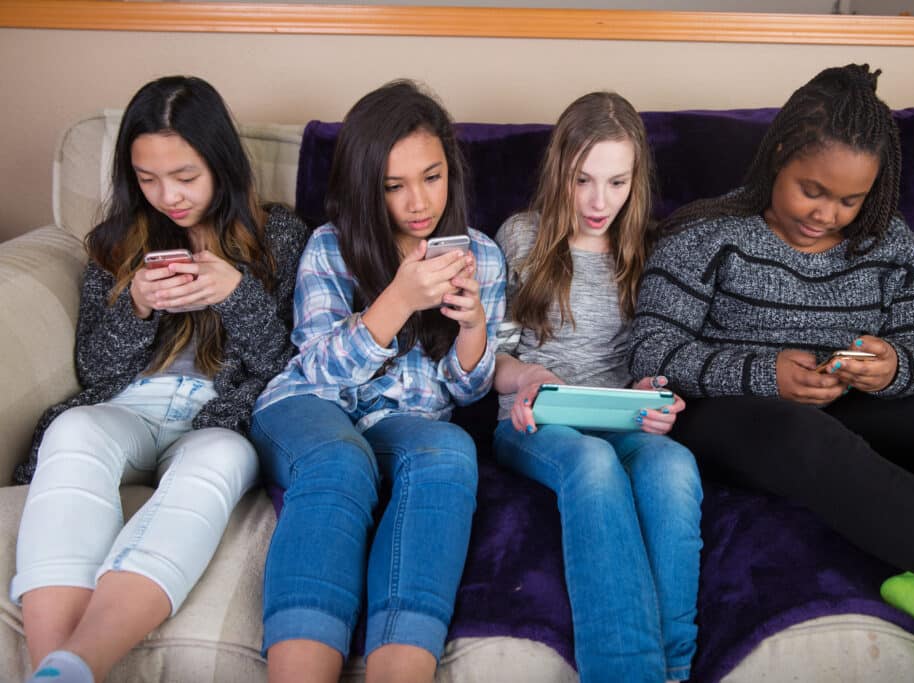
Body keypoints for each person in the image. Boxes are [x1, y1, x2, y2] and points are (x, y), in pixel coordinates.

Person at [631, 63, 914, 683]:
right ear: (779, 155)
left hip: (848, 403)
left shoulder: (888, 243)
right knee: (803, 433)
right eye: (812, 190)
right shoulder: (706, 235)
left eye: (850, 199)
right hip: (735, 415)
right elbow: (651, 352)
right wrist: (765, 373)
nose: (828, 215)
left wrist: (893, 365)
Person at [10, 76, 310, 683]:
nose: (167, 196)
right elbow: (94, 370)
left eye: (185, 177)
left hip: (221, 416)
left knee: (219, 462)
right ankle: (52, 666)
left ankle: (79, 662)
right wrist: (137, 308)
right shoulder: (117, 241)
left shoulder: (281, 236)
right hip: (128, 406)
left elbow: (291, 369)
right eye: (147, 179)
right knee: (73, 432)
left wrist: (238, 294)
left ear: (222, 164)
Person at [250, 80, 505, 683]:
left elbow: (465, 392)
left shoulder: (483, 256)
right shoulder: (331, 247)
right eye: (394, 186)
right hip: (311, 406)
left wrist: (472, 327)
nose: (419, 202)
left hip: (403, 422)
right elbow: (319, 366)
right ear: (368, 186)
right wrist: (398, 298)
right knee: (340, 462)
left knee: (450, 449)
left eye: (433, 176)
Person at [492, 92, 702, 683]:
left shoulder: (645, 252)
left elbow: (651, 358)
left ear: (636, 180)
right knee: (591, 463)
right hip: (533, 421)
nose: (597, 201)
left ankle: (675, 667)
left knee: (673, 465)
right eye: (583, 180)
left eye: (616, 182)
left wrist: (654, 390)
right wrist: (529, 377)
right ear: (560, 169)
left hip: (619, 416)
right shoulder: (521, 238)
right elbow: (493, 360)